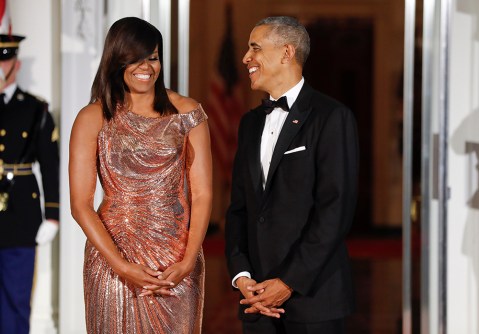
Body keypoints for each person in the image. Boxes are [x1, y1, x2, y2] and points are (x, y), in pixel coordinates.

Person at [69, 17, 212, 333]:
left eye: (153, 57)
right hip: (113, 260)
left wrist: (187, 262)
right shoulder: (93, 117)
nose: (146, 66)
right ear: (116, 59)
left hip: (176, 262)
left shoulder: (187, 113)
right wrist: (122, 267)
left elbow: (202, 195)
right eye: (134, 58)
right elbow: (80, 204)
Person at [225, 16, 359, 333]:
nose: (246, 58)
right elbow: (239, 208)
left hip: (314, 299)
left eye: (255, 48)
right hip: (255, 300)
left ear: (287, 52)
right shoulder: (249, 123)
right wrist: (242, 275)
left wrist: (288, 282)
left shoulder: (332, 117)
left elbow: (335, 210)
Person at [0, 33, 60, 333]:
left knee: (15, 299)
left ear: (16, 64)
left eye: (4, 58)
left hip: (19, 214)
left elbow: (50, 164)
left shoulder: (35, 109)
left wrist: (52, 214)